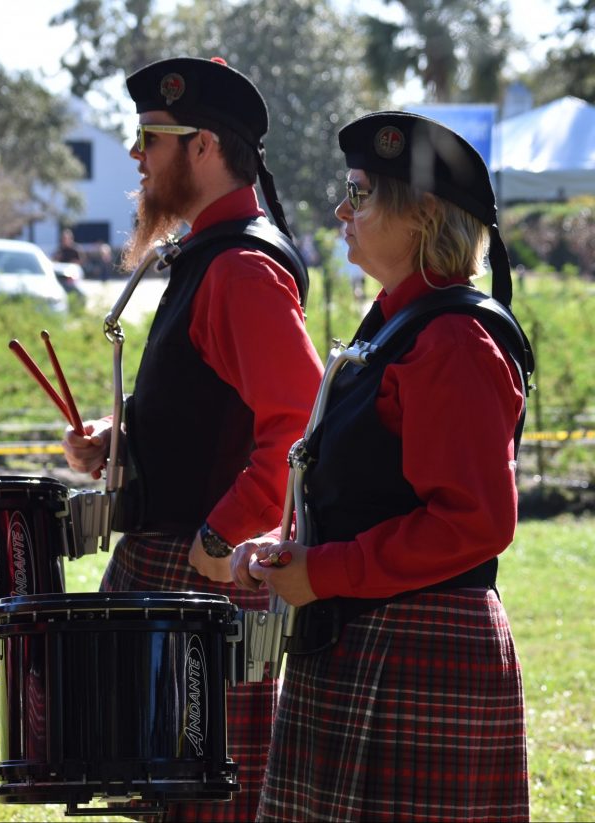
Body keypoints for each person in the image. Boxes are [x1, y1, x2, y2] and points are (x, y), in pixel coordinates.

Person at [232, 111, 534, 822]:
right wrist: (293, 553)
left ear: (423, 214)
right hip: (369, 642)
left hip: (419, 655)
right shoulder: (397, 323)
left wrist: (326, 571)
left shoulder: (455, 338)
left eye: (361, 193)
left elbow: (475, 522)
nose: (343, 210)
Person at [62, 56, 323, 822]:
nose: (137, 156)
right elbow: (208, 403)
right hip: (171, 570)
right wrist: (122, 434)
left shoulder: (241, 266)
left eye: (151, 137)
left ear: (203, 145)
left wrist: (221, 530)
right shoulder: (210, 254)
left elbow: (298, 426)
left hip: (198, 578)